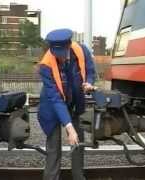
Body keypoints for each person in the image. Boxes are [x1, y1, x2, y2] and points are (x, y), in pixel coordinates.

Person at [37, 28, 96, 180]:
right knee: (53, 147)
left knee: (77, 143)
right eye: (57, 55)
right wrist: (69, 127)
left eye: (62, 54)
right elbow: (55, 99)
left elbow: (90, 70)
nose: (60, 59)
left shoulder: (82, 51)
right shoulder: (45, 65)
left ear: (69, 45)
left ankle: (78, 176)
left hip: (75, 103)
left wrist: (89, 82)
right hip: (52, 107)